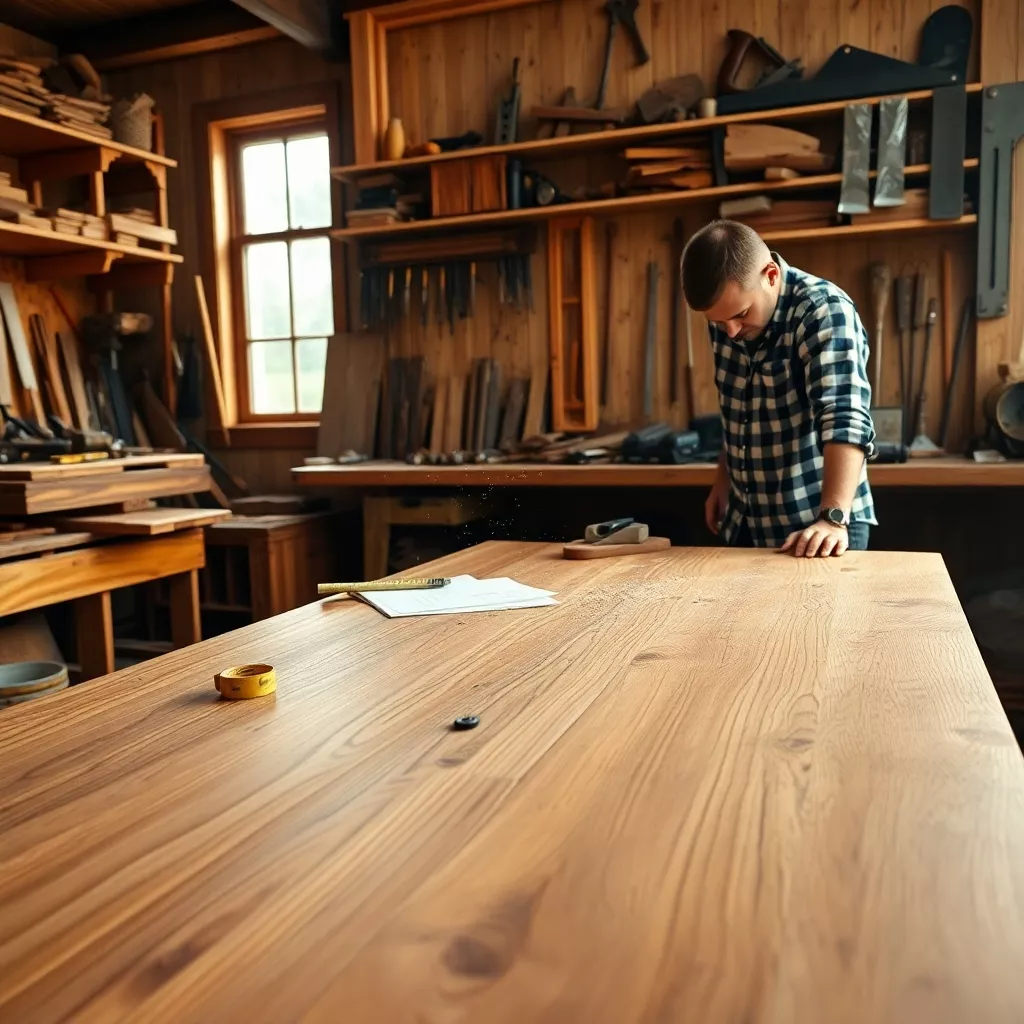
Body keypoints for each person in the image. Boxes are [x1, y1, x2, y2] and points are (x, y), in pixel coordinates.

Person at [680, 220, 876, 557]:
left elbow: (845, 416)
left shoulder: (824, 310)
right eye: (717, 322)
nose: (730, 331)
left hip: (818, 526)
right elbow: (738, 408)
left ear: (770, 275)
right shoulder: (730, 321)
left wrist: (832, 518)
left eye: (741, 314)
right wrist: (722, 480)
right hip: (745, 519)